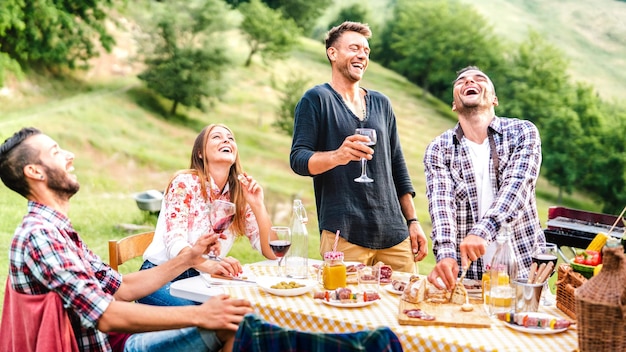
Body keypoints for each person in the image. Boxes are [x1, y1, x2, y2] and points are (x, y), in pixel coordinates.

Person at [0, 127, 253, 352]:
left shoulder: (57, 229)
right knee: (233, 328)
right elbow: (106, 315)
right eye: (56, 152)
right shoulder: (40, 234)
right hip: (111, 345)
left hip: (115, 340)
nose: (70, 156)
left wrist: (189, 257)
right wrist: (201, 315)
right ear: (34, 171)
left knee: (234, 323)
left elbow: (122, 288)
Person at [289, 21, 428, 273]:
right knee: (345, 308)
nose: (362, 55)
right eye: (354, 48)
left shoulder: (381, 103)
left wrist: (413, 221)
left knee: (404, 308)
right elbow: (298, 159)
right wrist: (338, 155)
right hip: (344, 234)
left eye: (366, 51)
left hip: (395, 235)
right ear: (333, 53)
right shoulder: (316, 99)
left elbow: (397, 165)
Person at [424, 66, 544, 291]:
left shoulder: (522, 132)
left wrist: (483, 231)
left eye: (479, 79)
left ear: (494, 99)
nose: (469, 82)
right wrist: (446, 255)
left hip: (522, 274)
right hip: (468, 280)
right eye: (461, 81)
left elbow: (518, 186)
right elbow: (441, 206)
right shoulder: (439, 149)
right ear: (453, 104)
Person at [139, 123, 277, 306]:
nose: (226, 140)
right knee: (202, 318)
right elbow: (175, 243)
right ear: (200, 153)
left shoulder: (239, 194)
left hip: (203, 281)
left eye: (230, 138)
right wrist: (209, 264)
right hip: (160, 276)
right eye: (216, 137)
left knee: (244, 312)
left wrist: (258, 205)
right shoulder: (184, 183)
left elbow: (273, 252)